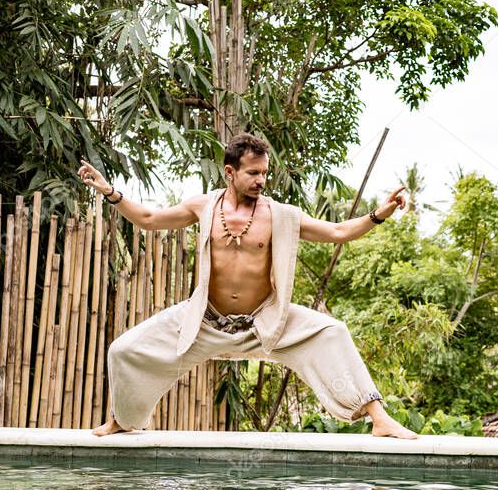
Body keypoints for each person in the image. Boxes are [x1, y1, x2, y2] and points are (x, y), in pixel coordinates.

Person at [78, 132, 418, 438]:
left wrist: (378, 214)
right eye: (253, 173)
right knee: (123, 351)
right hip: (204, 320)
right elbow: (149, 220)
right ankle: (124, 419)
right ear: (230, 172)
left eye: (265, 173)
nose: (261, 180)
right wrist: (110, 192)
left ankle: (378, 418)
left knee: (332, 332)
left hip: (266, 321)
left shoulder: (280, 214)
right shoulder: (204, 206)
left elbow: (338, 232)